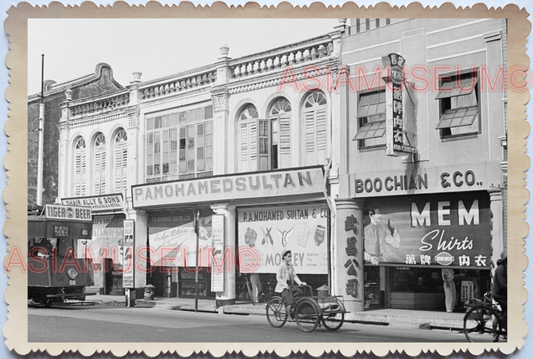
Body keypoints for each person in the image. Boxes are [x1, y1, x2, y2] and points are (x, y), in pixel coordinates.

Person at [275, 249, 306, 317]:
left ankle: (297, 311)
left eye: (290, 256)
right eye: (289, 256)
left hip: (290, 286)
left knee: (300, 292)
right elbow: (278, 278)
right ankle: (289, 316)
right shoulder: (281, 266)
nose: (290, 258)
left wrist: (300, 283)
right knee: (289, 299)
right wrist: (285, 285)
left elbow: (295, 276)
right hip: (283, 287)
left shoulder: (291, 266)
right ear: (284, 257)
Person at [492, 254, 507, 330]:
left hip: (503, 294)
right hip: (499, 294)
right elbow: (503, 284)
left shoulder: (505, 268)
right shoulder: (501, 269)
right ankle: (505, 326)